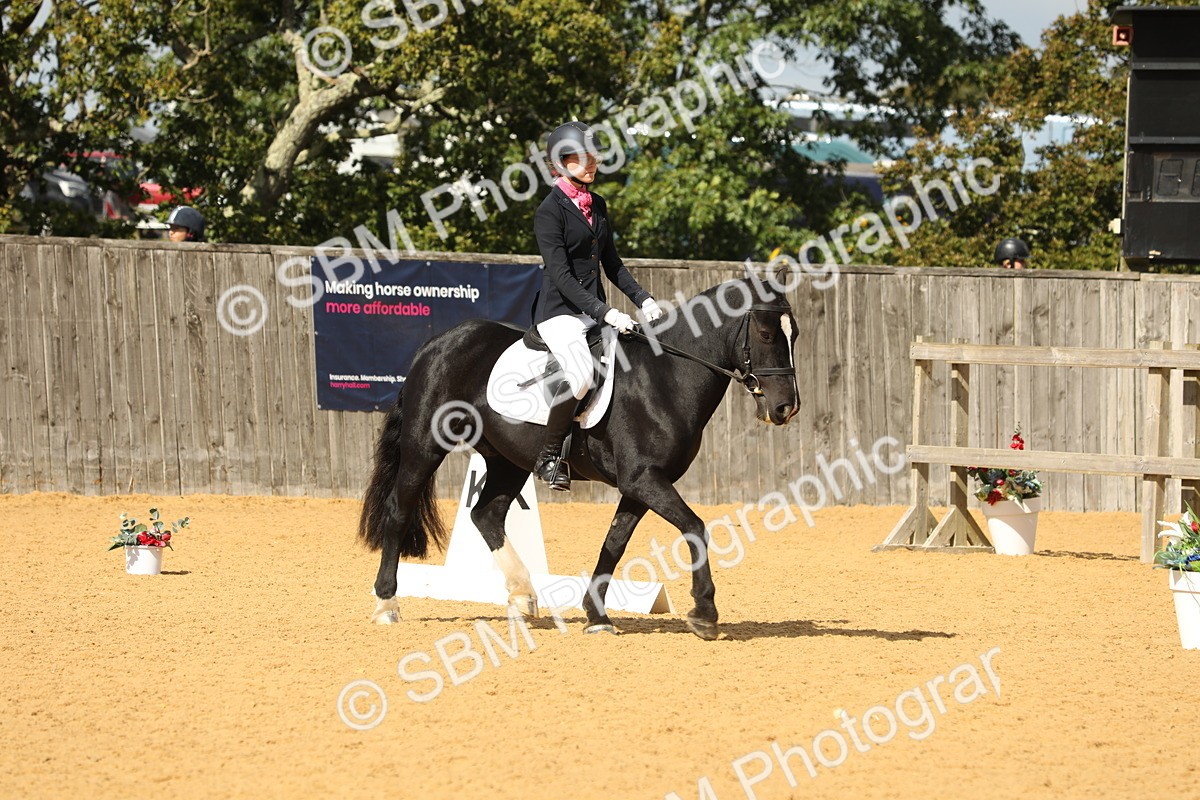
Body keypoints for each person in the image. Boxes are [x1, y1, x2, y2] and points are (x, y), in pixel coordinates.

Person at [530, 121, 663, 491]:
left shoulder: (597, 205)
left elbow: (613, 264)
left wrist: (643, 299)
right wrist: (605, 312)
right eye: (583, 157)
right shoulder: (549, 211)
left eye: (594, 156)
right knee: (581, 375)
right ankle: (548, 456)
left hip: (592, 311)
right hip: (559, 312)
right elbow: (561, 276)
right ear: (560, 162)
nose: (592, 163)